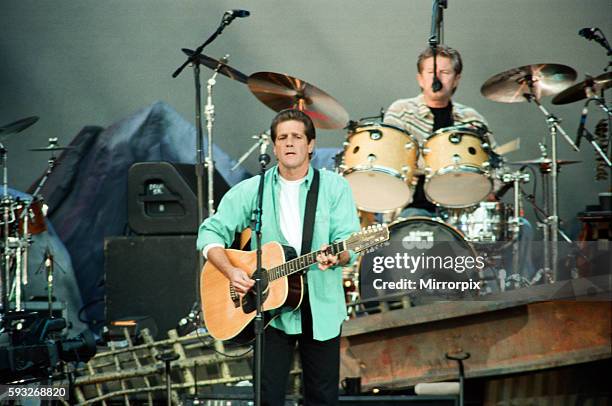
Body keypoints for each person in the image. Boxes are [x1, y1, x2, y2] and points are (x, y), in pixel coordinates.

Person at [197, 109, 360, 405]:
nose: (289, 143)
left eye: (297, 137)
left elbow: (349, 242)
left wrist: (338, 256)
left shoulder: (335, 187)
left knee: (322, 396)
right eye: (282, 138)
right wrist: (231, 272)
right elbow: (210, 233)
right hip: (268, 311)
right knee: (267, 397)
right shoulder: (253, 190)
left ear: (310, 144)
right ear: (274, 147)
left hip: (320, 304)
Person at [383, 44, 535, 285]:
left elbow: (497, 166)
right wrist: (440, 163)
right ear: (420, 78)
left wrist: (490, 191)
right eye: (431, 72)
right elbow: (393, 158)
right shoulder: (401, 112)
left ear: (456, 79)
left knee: (521, 228)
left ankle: (517, 299)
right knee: (410, 235)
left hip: (467, 211)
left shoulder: (471, 118)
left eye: (445, 72)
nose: (437, 77)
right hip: (419, 208)